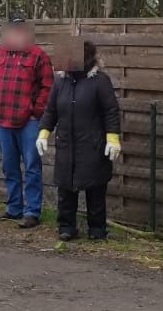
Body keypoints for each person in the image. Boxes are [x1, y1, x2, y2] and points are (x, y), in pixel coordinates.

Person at [37, 39, 121, 242]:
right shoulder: (60, 82)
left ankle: (97, 229)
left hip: (92, 144)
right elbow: (51, 110)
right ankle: (66, 227)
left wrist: (112, 138)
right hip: (66, 144)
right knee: (66, 188)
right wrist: (43, 133)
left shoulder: (100, 81)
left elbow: (111, 111)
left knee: (95, 188)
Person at [0, 17, 54, 228]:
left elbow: (48, 87)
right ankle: (13, 208)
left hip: (28, 123)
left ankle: (32, 212)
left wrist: (36, 111)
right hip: (2, 120)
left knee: (32, 167)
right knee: (9, 166)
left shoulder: (38, 55)